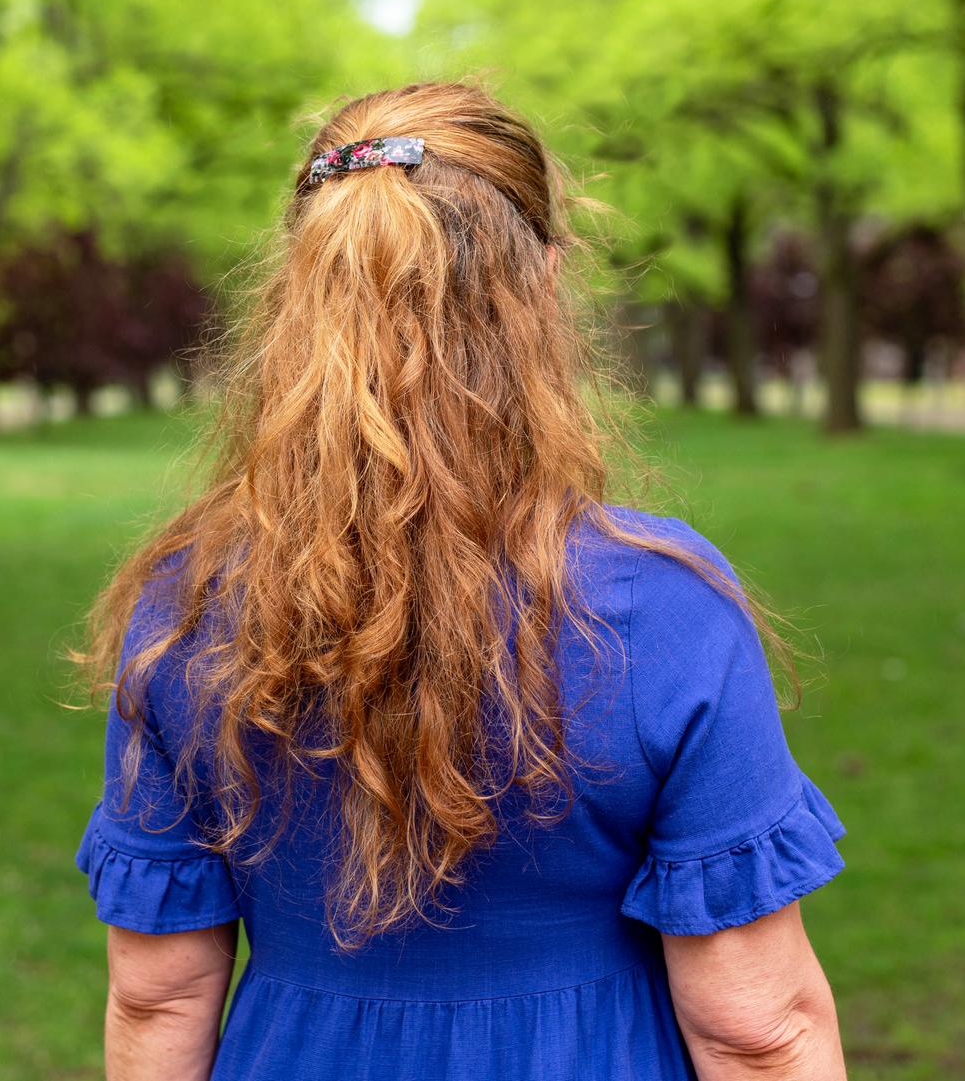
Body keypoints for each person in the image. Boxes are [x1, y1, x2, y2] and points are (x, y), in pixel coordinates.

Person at [72, 83, 847, 1080]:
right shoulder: (665, 612)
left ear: (300, 299)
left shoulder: (189, 609)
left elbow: (156, 996)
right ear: (545, 292)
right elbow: (758, 1030)